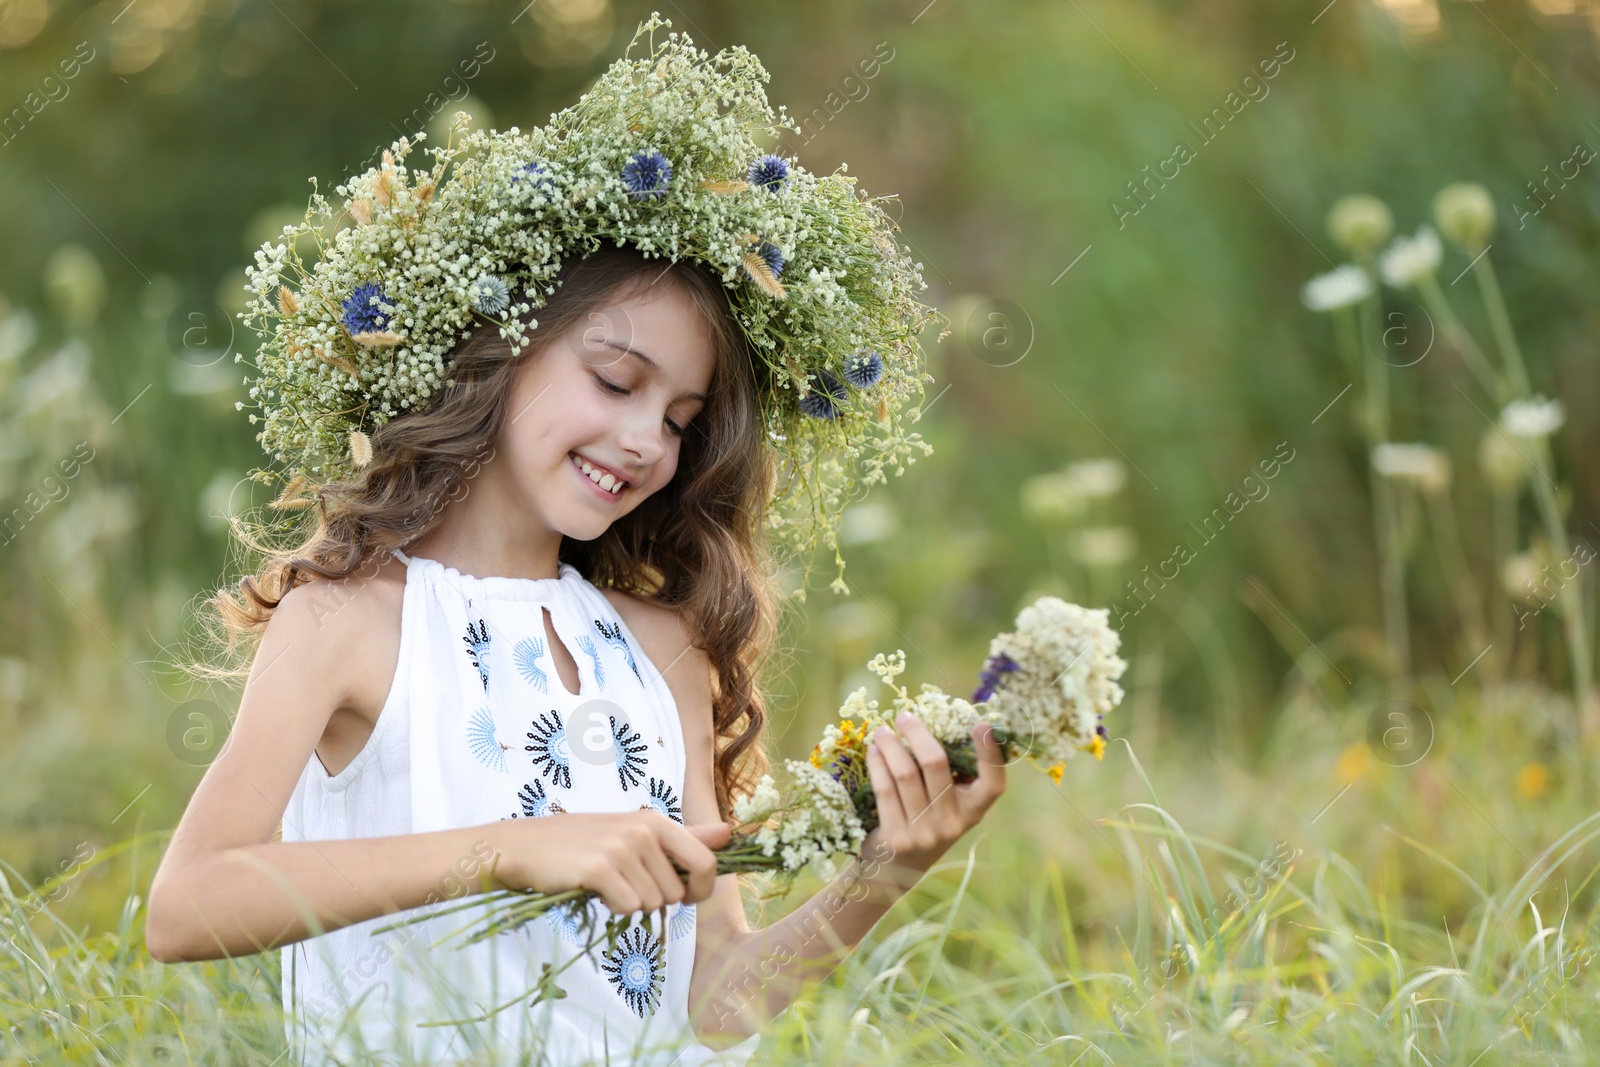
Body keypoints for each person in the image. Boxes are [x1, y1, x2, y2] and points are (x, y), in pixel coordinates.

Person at [144, 15, 1007, 1066]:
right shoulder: (349, 620)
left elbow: (713, 998)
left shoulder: (665, 648)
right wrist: (510, 850)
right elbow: (185, 903)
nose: (646, 438)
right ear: (500, 351)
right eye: (614, 379)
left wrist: (885, 868)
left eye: (682, 418)